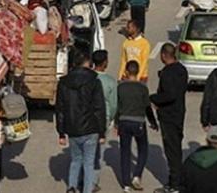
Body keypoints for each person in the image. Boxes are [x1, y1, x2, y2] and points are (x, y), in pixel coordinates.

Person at [55, 50, 106, 193]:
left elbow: (60, 109)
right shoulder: (94, 82)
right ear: (88, 63)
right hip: (91, 128)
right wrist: (101, 132)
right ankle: (87, 190)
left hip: (72, 128)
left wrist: (60, 132)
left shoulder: (63, 83)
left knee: (75, 160)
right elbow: (99, 108)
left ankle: (71, 187)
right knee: (89, 163)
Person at [151, 43, 189, 193]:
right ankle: (176, 180)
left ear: (164, 55)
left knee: (172, 151)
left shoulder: (168, 73)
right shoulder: (182, 70)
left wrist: (154, 98)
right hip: (179, 113)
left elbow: (169, 94)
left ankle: (175, 185)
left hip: (169, 116)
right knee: (176, 149)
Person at [116, 60, 159, 192]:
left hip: (124, 121)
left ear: (127, 72)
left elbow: (118, 106)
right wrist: (153, 122)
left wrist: (116, 123)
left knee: (125, 152)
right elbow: (147, 107)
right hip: (139, 122)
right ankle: (137, 175)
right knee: (143, 148)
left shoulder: (120, 87)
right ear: (138, 72)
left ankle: (126, 184)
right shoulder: (142, 88)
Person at [92, 50, 117, 192]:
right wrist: (112, 118)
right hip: (104, 119)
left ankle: (83, 177)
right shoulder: (110, 81)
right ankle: (93, 181)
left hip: (88, 119)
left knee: (86, 150)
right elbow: (113, 104)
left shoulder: (89, 78)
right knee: (98, 152)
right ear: (105, 63)